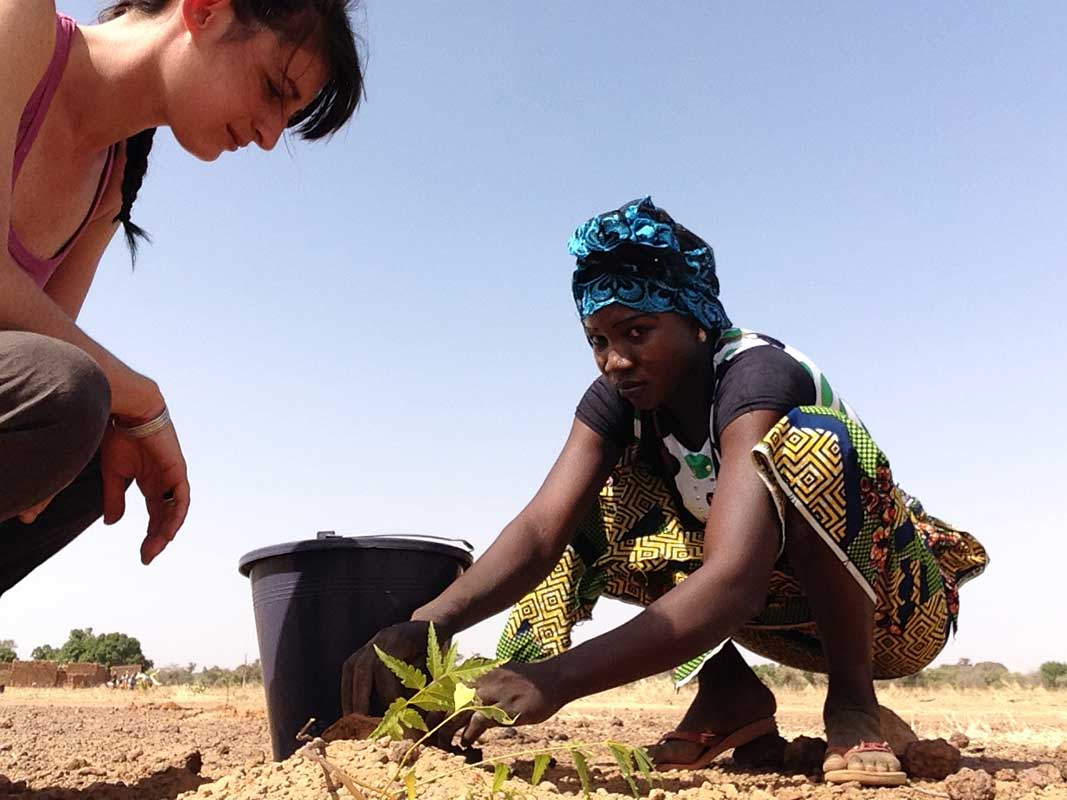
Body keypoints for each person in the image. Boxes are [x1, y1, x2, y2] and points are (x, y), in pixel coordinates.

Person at [341, 197, 988, 787]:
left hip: (891, 610)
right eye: (597, 339)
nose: (612, 359)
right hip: (774, 610)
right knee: (587, 514)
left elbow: (731, 580)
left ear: (697, 323)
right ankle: (727, 697)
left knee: (814, 445)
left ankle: (851, 704)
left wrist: (557, 681)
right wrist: (428, 626)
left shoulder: (757, 376)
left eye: (635, 332)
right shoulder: (620, 402)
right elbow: (541, 531)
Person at [0, 0, 363, 593]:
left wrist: (122, 417)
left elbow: (29, 345)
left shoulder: (109, 187)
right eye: (273, 89)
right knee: (82, 393)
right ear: (206, 12)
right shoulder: (22, 21)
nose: (271, 137)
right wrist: (143, 400)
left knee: (100, 435)